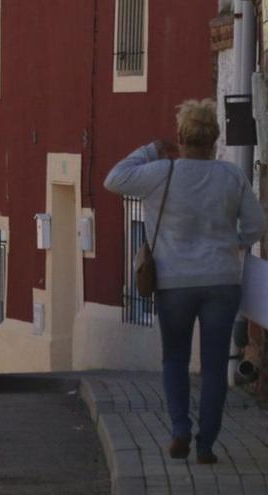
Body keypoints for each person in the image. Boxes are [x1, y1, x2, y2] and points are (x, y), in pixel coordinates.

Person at [104, 99, 266, 464]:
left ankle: (180, 430)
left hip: (174, 284)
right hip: (222, 282)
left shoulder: (161, 172)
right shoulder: (230, 176)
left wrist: (150, 149)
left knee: (175, 358)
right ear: (215, 139)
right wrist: (233, 243)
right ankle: (206, 445)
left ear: (180, 136)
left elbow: (114, 179)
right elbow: (257, 226)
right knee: (213, 365)